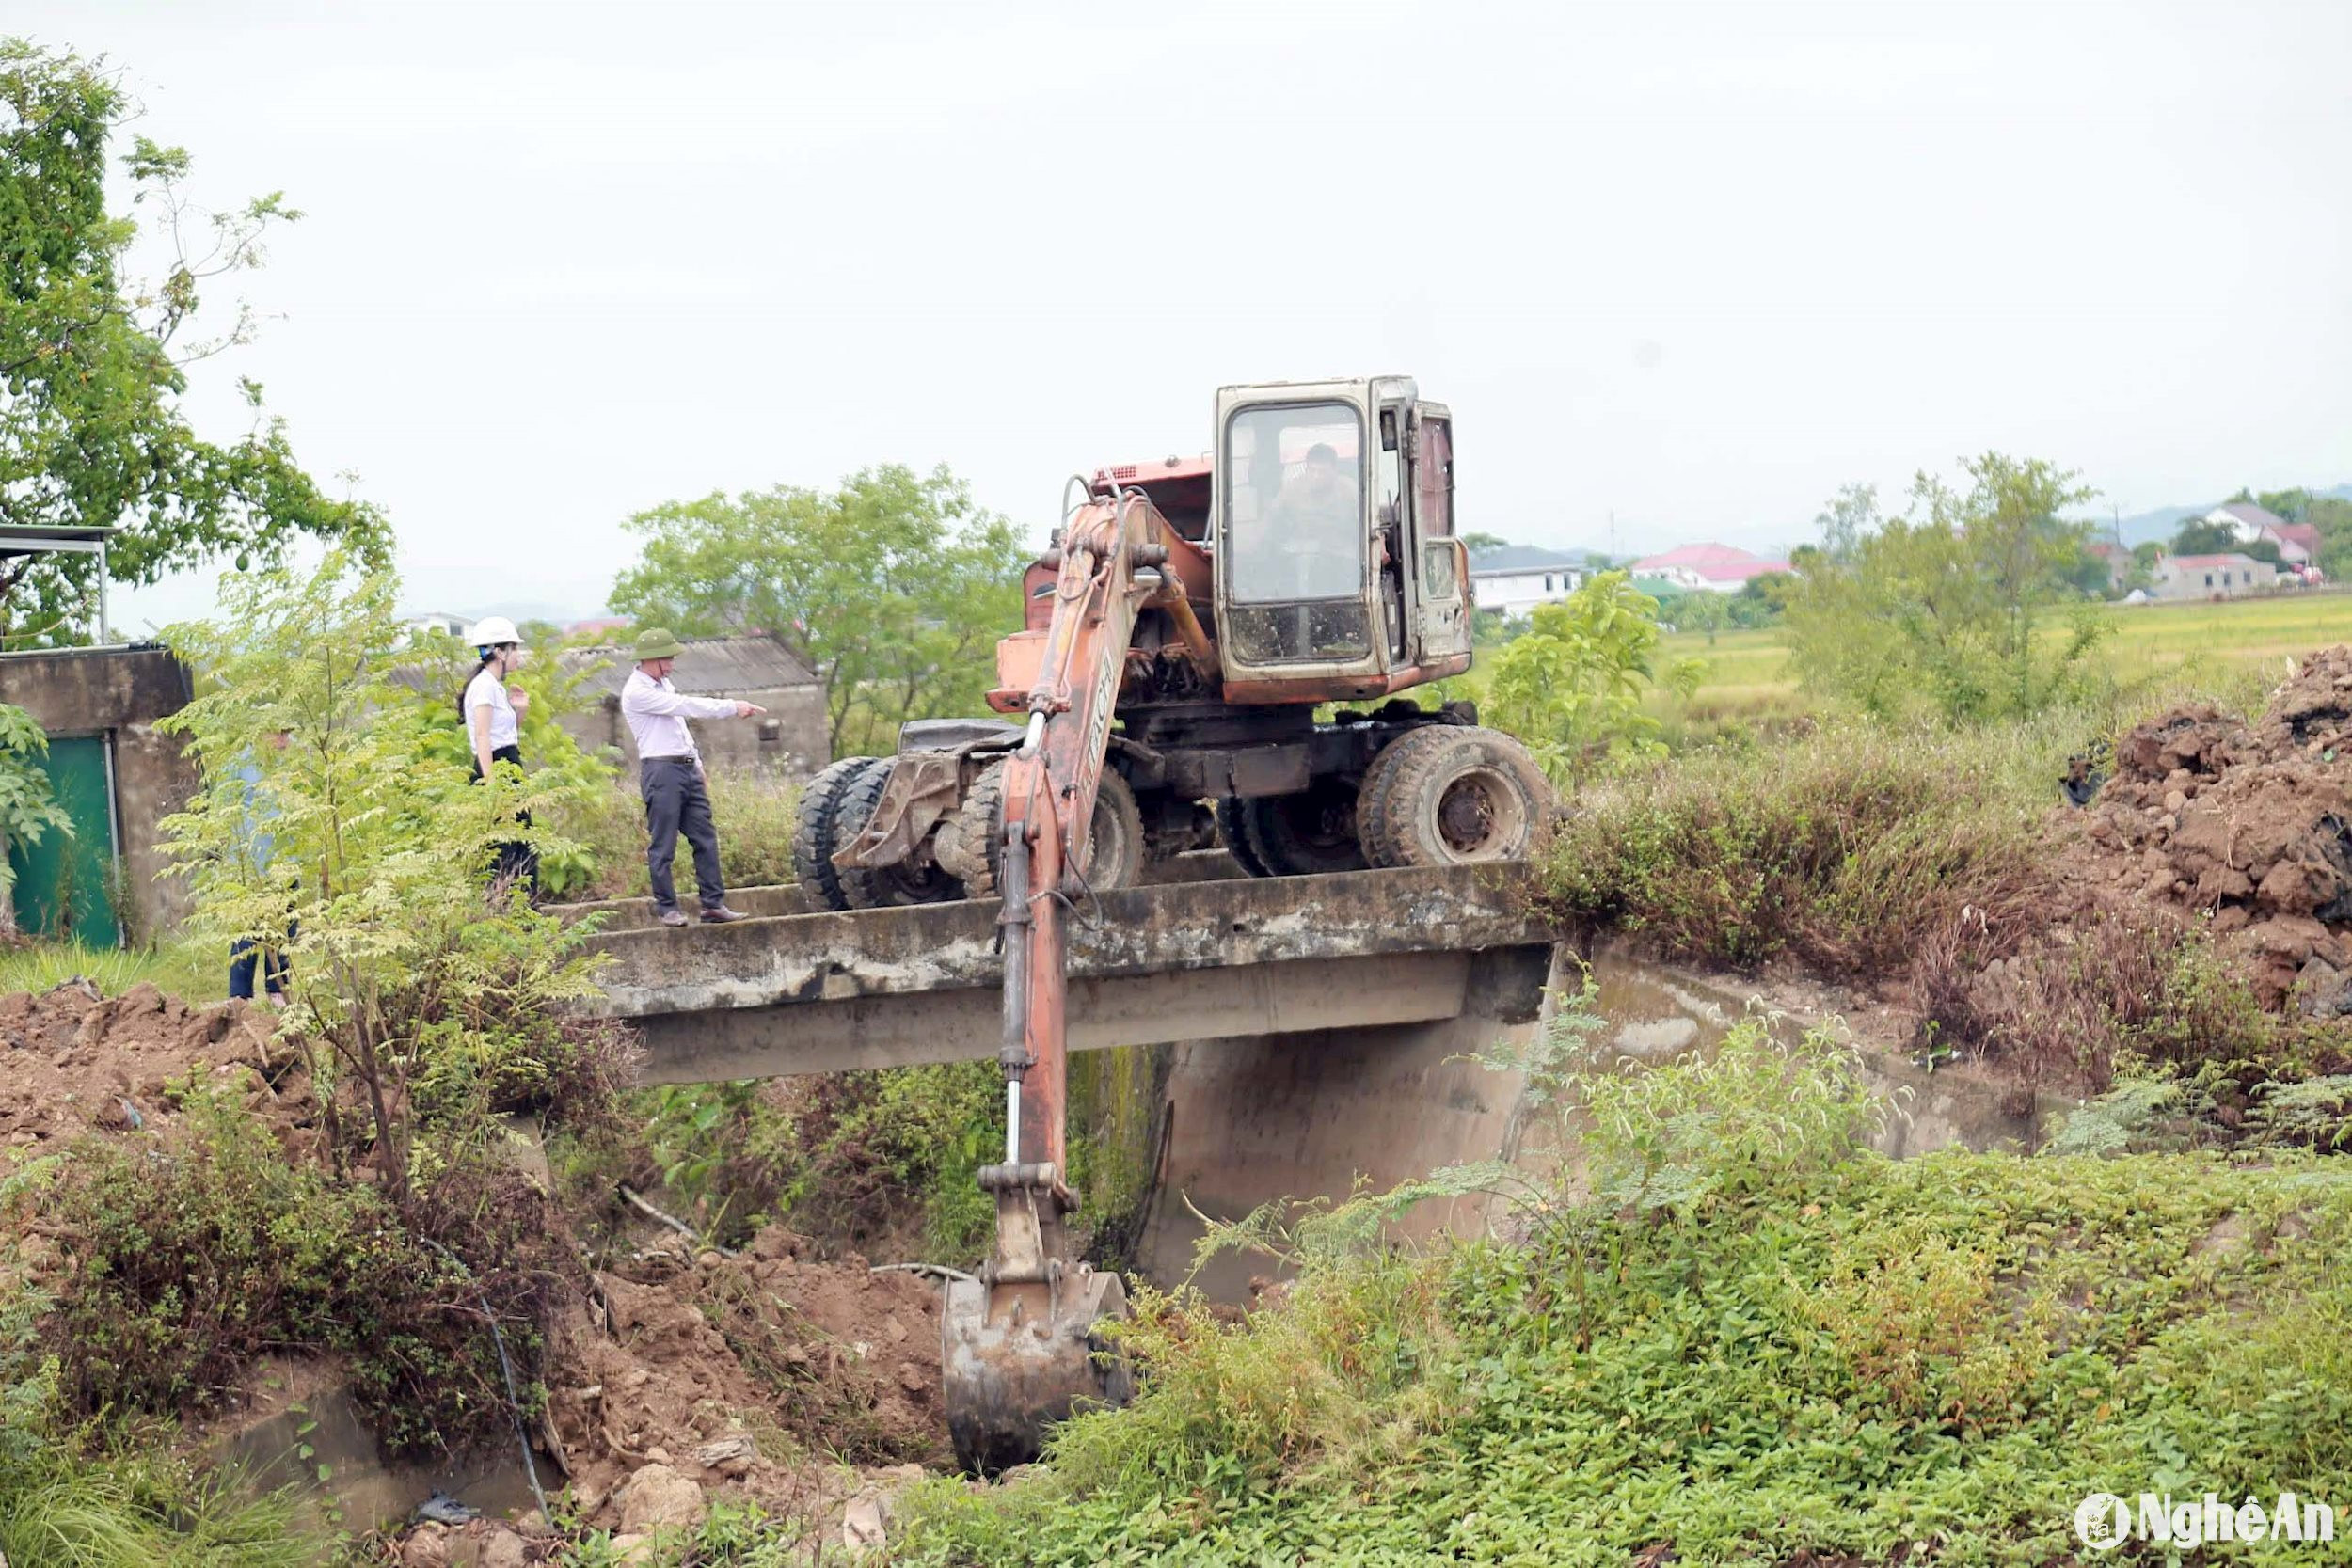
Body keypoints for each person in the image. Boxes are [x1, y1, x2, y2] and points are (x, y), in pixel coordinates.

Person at [619, 626, 766, 927]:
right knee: (664, 842)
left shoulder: (663, 685)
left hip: (685, 767)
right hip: (661, 770)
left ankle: (713, 903)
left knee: (705, 836)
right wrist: (731, 707)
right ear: (648, 659)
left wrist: (697, 764)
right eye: (666, 659)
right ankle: (667, 907)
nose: (671, 665)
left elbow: (679, 727)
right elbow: (685, 706)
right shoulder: (638, 692)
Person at [461, 615, 538, 897]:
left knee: (522, 840)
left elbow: (504, 735)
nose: (518, 655)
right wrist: (492, 783)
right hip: (495, 767)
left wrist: (520, 711)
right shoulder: (483, 687)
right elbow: (483, 737)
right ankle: (505, 908)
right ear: (499, 652)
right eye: (514, 649)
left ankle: (523, 908)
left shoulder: (495, 687)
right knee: (504, 845)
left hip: (508, 763)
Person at [229, 729, 295, 1009]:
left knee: (284, 929)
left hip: (285, 860)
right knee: (248, 931)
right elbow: (226, 811)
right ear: (260, 733)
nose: (283, 741)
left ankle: (277, 989)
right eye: (277, 734)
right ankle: (240, 995)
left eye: (287, 735)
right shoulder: (239, 766)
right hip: (252, 862)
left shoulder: (291, 766)